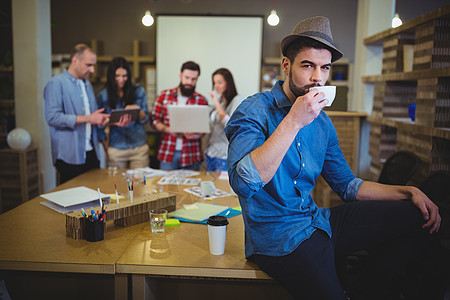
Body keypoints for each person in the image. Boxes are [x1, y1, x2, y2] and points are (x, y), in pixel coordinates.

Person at [225, 16, 441, 299]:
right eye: (307, 65)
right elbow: (244, 183)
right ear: (286, 65)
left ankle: (369, 290)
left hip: (319, 221)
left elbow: (348, 186)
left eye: (324, 68)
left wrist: (408, 191)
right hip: (277, 238)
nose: (317, 77)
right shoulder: (255, 110)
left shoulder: (323, 123)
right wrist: (293, 121)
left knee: (418, 216)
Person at [44, 44, 109, 184]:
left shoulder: (87, 84)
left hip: (91, 153)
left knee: (94, 197)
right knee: (71, 201)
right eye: (88, 65)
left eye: (93, 65)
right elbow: (52, 117)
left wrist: (102, 120)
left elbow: (92, 117)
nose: (92, 70)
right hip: (69, 156)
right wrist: (89, 118)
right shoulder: (56, 83)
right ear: (75, 61)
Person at [151, 61, 208, 170]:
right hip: (168, 152)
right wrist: (168, 129)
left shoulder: (201, 100)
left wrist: (196, 135)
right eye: (186, 77)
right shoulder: (164, 96)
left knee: (191, 186)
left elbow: (204, 128)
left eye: (193, 79)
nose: (189, 82)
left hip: (192, 154)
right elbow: (154, 120)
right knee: (167, 186)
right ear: (180, 75)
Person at [97, 57, 150, 169]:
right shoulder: (103, 95)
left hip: (138, 147)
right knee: (118, 184)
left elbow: (145, 118)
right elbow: (99, 124)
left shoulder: (138, 91)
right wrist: (106, 148)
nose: (121, 79)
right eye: (117, 76)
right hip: (116, 148)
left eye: (124, 76)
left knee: (140, 184)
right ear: (111, 76)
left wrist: (138, 110)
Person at [205, 68, 244, 172]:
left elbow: (230, 125)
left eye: (220, 82)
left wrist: (216, 103)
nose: (216, 86)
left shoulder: (237, 100)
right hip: (211, 153)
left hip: (224, 155)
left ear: (228, 83)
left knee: (222, 187)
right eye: (214, 82)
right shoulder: (221, 101)